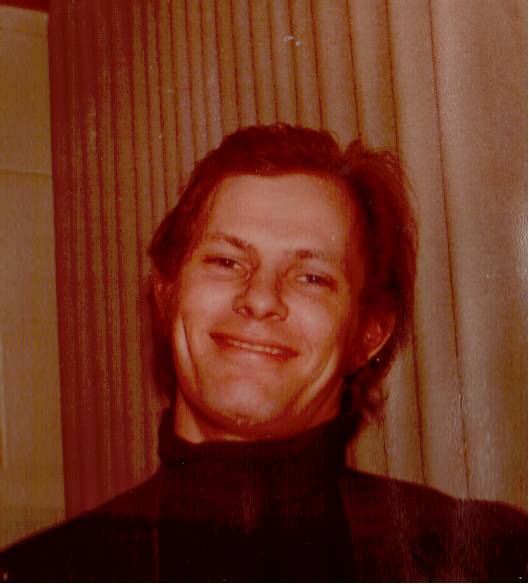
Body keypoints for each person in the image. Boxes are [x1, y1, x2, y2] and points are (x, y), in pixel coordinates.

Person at [1, 124, 526, 581]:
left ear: (368, 334)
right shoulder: (38, 573)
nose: (258, 298)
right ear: (166, 293)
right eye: (226, 261)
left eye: (311, 277)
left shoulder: (490, 559)